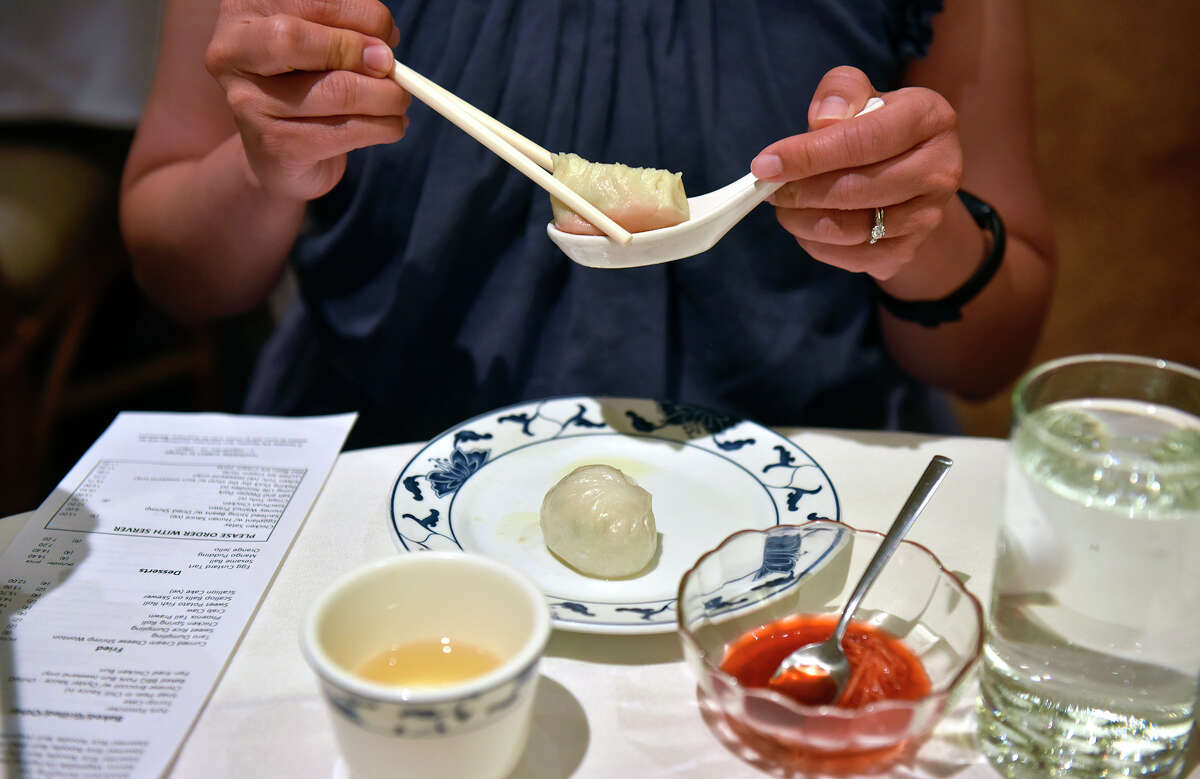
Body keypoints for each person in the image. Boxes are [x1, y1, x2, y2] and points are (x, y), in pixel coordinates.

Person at [120, 0, 1055, 447]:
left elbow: (991, 350)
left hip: (799, 486)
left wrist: (916, 233)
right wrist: (266, 164)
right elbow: (180, 272)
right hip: (386, 458)